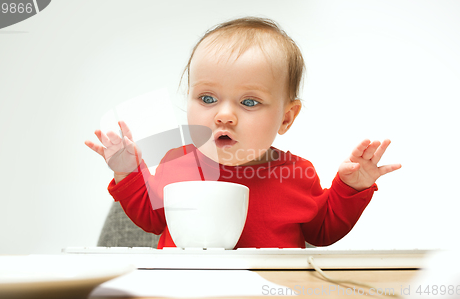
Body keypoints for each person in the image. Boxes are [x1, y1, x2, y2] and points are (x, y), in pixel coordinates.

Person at [85, 17, 401, 249]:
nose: (224, 115)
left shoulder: (297, 173)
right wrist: (127, 171)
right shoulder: (178, 163)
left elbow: (323, 231)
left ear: (286, 118)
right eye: (207, 98)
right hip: (182, 287)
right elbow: (148, 218)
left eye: (249, 102)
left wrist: (350, 188)